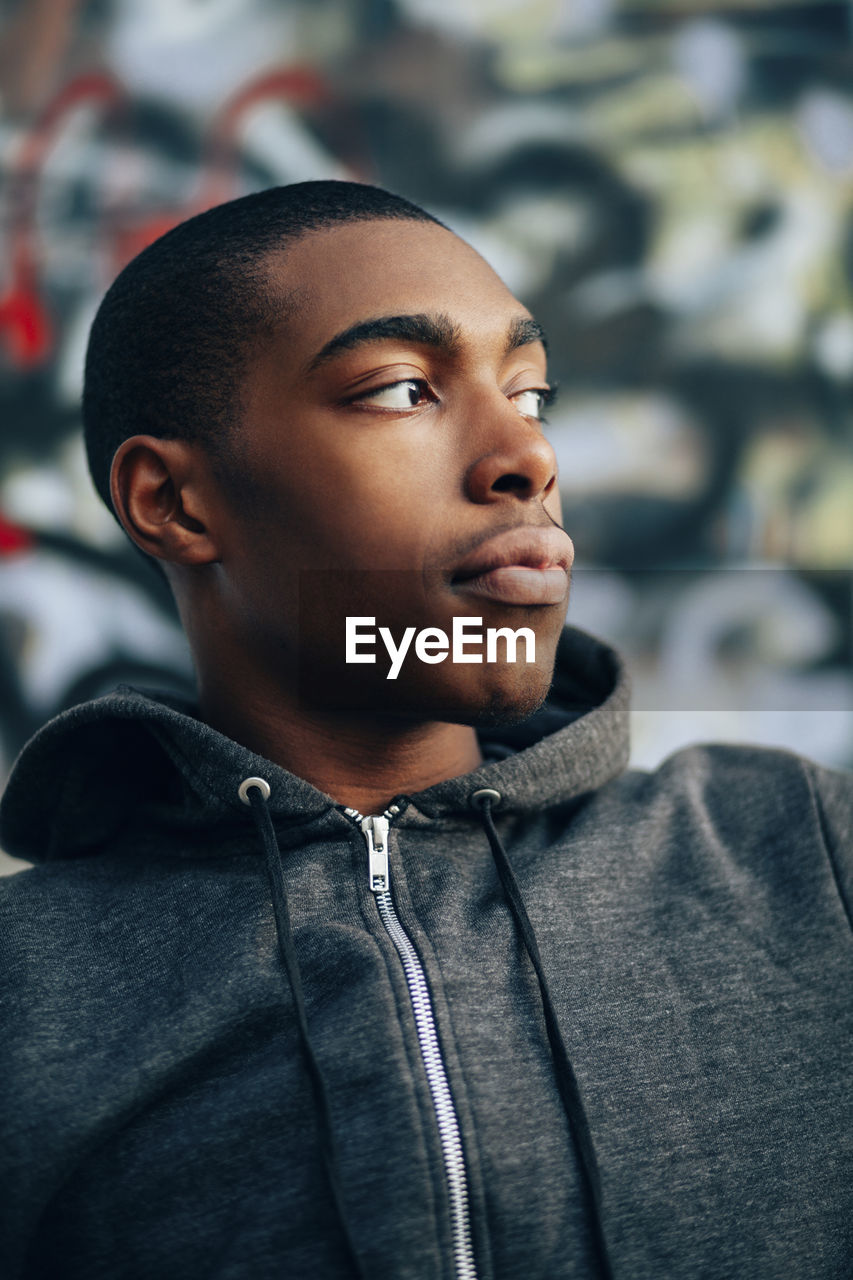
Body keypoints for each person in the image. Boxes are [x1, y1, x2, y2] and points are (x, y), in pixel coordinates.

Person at [0, 180, 850, 1280]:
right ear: (172, 501)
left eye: (531, 394)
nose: (526, 459)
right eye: (404, 389)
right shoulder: (30, 993)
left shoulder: (791, 850)